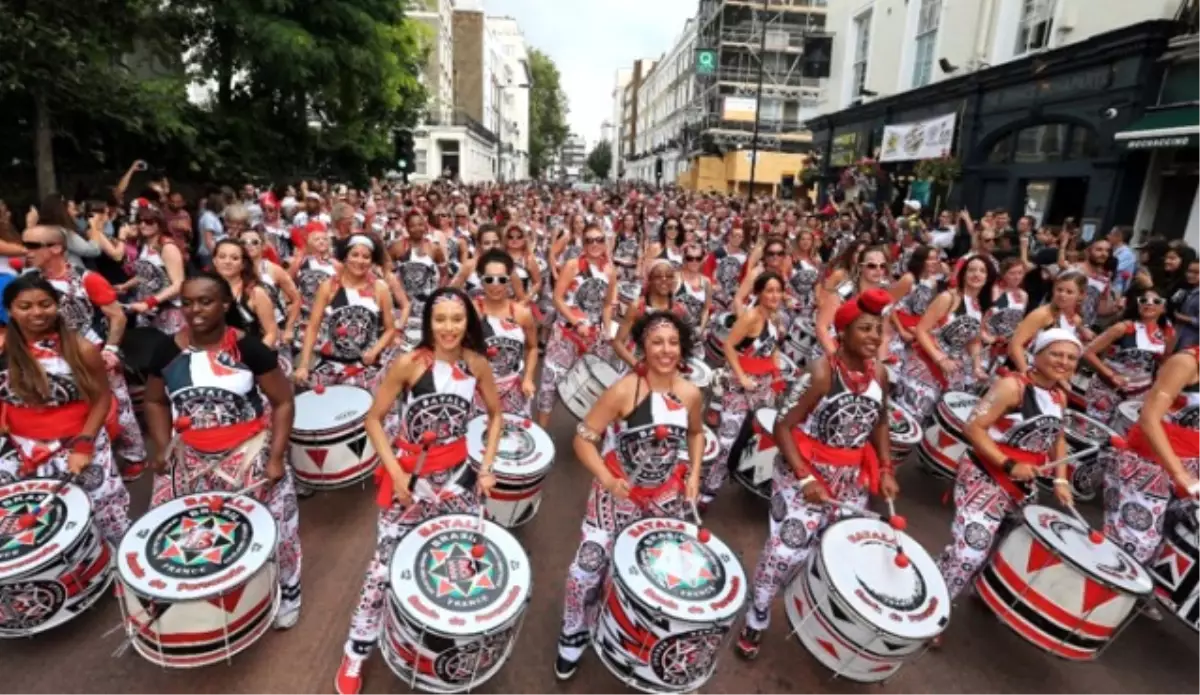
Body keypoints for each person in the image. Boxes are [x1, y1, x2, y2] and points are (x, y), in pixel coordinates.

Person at [334, 287, 502, 695]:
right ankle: (356, 651)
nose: (449, 328)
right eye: (440, 319)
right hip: (409, 478)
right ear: (428, 321)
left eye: (457, 320)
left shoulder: (477, 365)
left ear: (469, 324)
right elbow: (373, 420)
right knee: (381, 569)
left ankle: (442, 639)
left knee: (457, 560)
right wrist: (395, 472)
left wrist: (487, 467)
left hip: (458, 479)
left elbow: (497, 415)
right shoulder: (409, 363)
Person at [735, 288, 900, 658]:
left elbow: (880, 421)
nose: (874, 337)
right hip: (802, 474)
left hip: (850, 479)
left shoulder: (882, 375)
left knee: (835, 549)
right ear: (843, 333)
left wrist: (886, 468)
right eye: (865, 329)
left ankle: (811, 609)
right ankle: (757, 616)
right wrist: (806, 478)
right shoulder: (821, 373)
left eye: (879, 330)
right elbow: (782, 426)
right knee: (784, 550)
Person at [142, 272, 303, 629]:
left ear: (225, 305)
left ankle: (289, 588)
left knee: (275, 523)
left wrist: (275, 457)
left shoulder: (249, 348)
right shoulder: (167, 350)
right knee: (177, 525)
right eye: (187, 302)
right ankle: (196, 595)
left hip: (247, 450)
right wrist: (162, 445)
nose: (194, 309)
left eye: (205, 301)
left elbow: (282, 403)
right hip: (190, 454)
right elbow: (154, 401)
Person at [554, 311, 705, 680]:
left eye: (672, 343)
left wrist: (695, 474)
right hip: (615, 494)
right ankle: (572, 631)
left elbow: (696, 434)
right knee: (584, 572)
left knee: (654, 574)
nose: (666, 350)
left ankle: (627, 629)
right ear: (643, 348)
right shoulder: (624, 390)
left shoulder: (689, 394)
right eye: (657, 342)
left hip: (664, 498)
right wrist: (606, 478)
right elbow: (584, 439)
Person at [935, 329, 1077, 603]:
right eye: (1056, 354)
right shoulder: (1013, 386)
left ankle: (975, 589)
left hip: (1023, 485)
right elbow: (973, 428)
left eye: (1071, 358)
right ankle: (935, 606)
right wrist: (1009, 464)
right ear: (1036, 354)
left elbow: (1058, 437)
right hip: (985, 475)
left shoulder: (1060, 396)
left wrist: (1061, 480)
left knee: (1007, 546)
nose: (1064, 362)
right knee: (970, 551)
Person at [0, 275, 131, 545]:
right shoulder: (3, 350)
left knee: (105, 517)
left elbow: (101, 400)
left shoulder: (81, 349)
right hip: (20, 447)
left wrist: (84, 445)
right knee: (33, 527)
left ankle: (119, 572)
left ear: (57, 305)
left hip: (79, 441)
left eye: (45, 304)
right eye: (25, 307)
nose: (37, 312)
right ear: (9, 310)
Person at [701, 271, 785, 507]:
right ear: (758, 292)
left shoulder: (776, 319)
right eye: (769, 290)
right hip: (739, 387)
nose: (774, 295)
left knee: (756, 436)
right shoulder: (750, 317)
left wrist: (777, 378)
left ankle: (745, 475)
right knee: (727, 442)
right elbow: (729, 346)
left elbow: (774, 349)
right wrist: (741, 377)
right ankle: (708, 490)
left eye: (778, 290)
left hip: (764, 386)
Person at [894, 255, 995, 424]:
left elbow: (974, 340)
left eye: (982, 271)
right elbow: (921, 330)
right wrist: (940, 358)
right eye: (972, 269)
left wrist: (977, 368)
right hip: (924, 368)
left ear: (988, 277)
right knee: (906, 421)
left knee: (930, 423)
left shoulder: (979, 306)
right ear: (963, 274)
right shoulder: (948, 298)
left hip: (950, 373)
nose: (976, 274)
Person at [536, 223, 617, 428]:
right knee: (550, 383)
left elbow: (607, 304)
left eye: (599, 239)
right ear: (583, 242)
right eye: (590, 240)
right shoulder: (572, 265)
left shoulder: (610, 270)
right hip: (565, 335)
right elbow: (557, 298)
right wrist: (576, 321)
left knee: (592, 386)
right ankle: (542, 432)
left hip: (594, 337)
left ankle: (586, 436)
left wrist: (606, 331)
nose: (595, 244)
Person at [294, 234, 396, 390]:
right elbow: (313, 327)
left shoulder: (380, 288)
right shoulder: (329, 287)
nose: (360, 261)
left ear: (372, 261)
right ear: (345, 257)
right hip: (331, 363)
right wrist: (303, 365)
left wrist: (374, 351)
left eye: (366, 257)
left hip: (366, 366)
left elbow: (390, 329)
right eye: (354, 255)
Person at [1081, 288, 1173, 425]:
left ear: (1163, 308)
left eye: (1156, 301)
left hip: (1137, 396)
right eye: (1143, 300)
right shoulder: (1123, 328)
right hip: (1107, 390)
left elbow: (1164, 365)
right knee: (1093, 431)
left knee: (1120, 436)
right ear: (1138, 304)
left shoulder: (1166, 336)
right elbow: (1088, 352)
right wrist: (1111, 375)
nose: (1149, 304)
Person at [92, 205, 186, 334]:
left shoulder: (167, 247)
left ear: (159, 224)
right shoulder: (145, 245)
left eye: (148, 222)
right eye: (140, 221)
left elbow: (178, 285)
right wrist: (125, 286)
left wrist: (150, 302)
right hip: (146, 309)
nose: (143, 225)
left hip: (166, 309)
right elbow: (146, 274)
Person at [474, 249, 538, 415]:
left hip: (513, 390)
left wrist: (529, 378)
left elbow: (533, 348)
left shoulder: (522, 314)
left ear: (509, 281)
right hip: (479, 392)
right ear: (481, 281)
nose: (496, 285)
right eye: (489, 279)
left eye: (501, 279)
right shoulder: (471, 312)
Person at [1007, 272, 1088, 373]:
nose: (1062, 295)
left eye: (1069, 292)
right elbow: (1014, 345)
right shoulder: (1042, 314)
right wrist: (1027, 373)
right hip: (1025, 372)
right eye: (1059, 290)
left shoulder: (1076, 321)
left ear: (1081, 295)